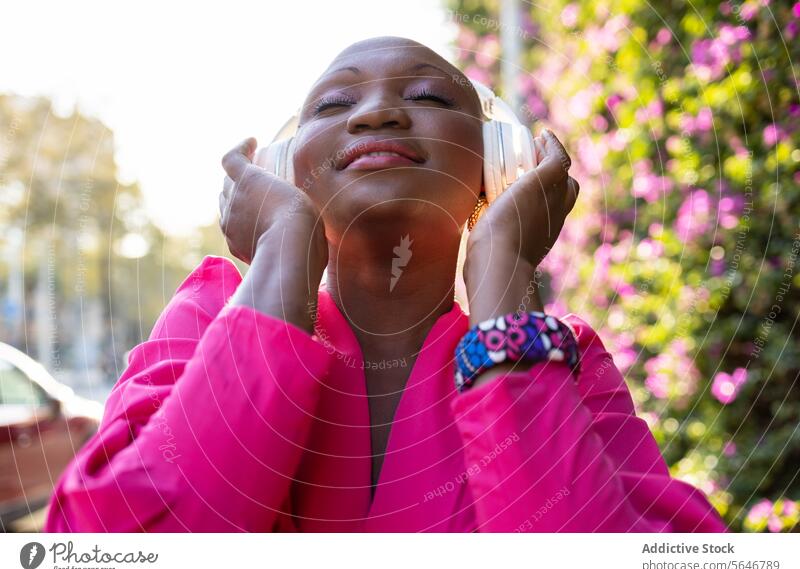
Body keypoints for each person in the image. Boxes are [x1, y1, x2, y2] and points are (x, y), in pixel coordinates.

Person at [45, 37, 726, 533]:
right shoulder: (204, 320)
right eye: (334, 104)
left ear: (498, 162)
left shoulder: (558, 358)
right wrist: (283, 252)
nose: (375, 114)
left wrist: (505, 282)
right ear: (287, 171)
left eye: (428, 96)